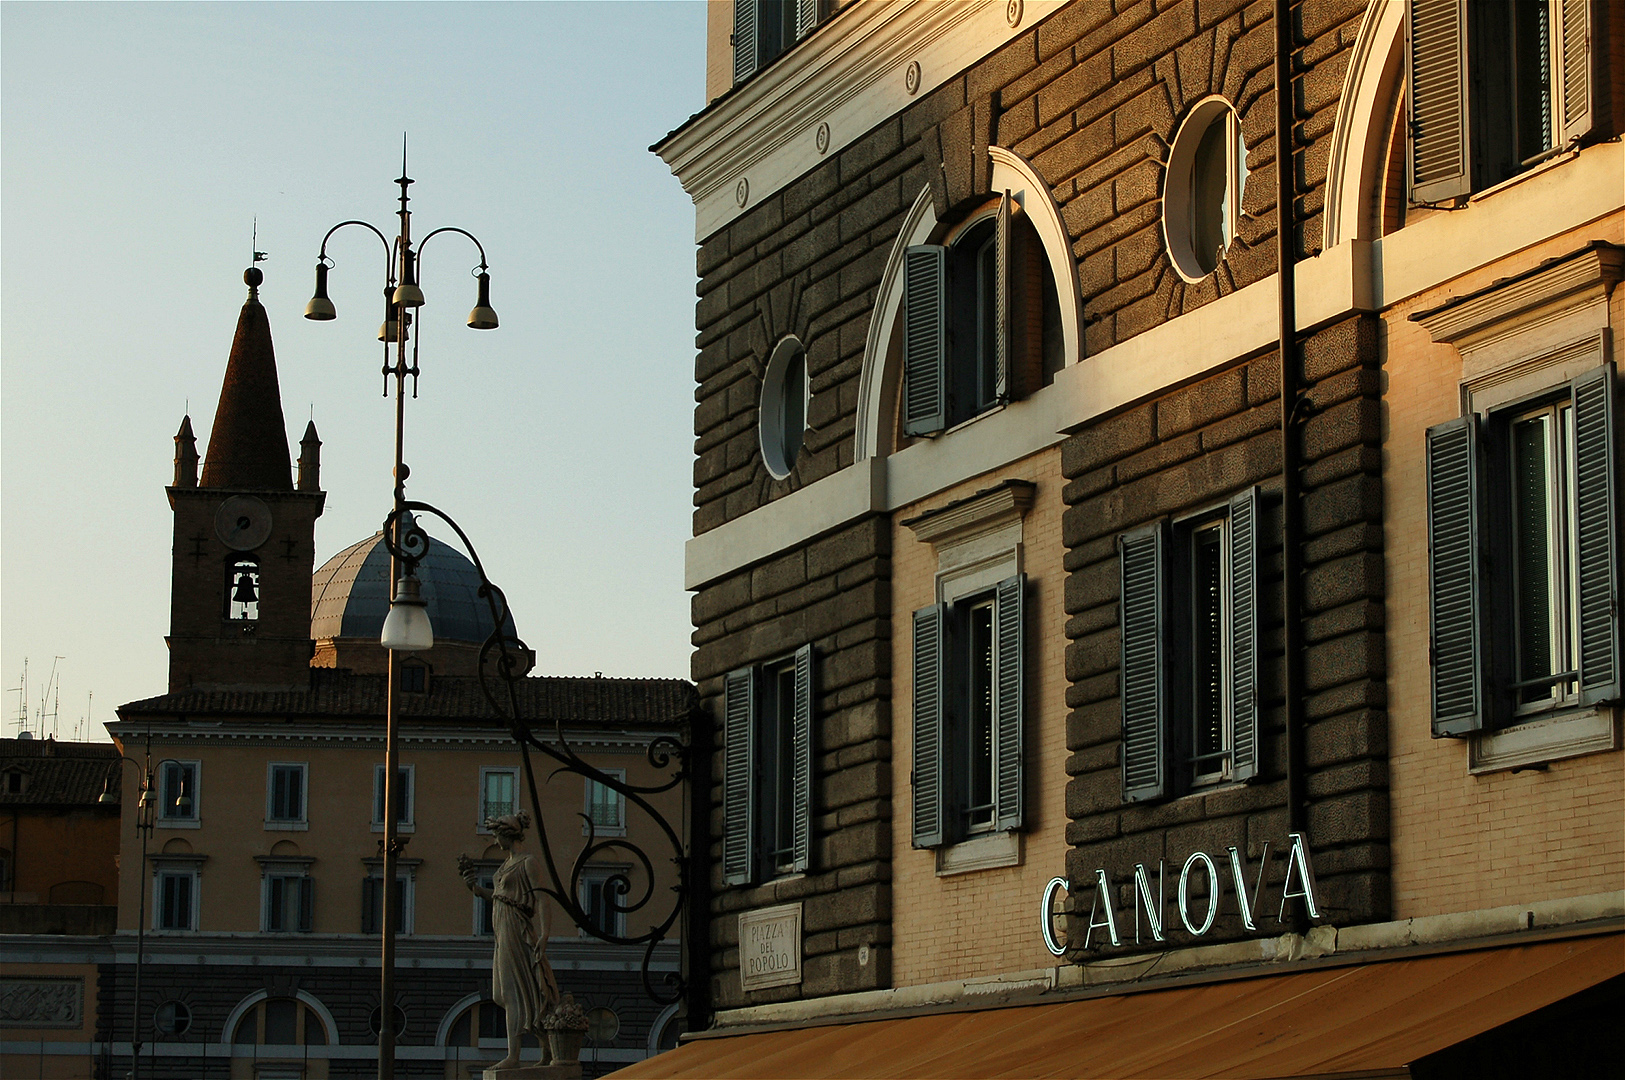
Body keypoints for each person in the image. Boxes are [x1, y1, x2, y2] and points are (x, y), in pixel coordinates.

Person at [458, 809, 561, 1070]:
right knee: (502, 993)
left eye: (496, 836)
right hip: (502, 931)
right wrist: (473, 887)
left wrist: (545, 933)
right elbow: (498, 896)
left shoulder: (528, 862)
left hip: (517, 930)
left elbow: (542, 898)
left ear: (507, 835)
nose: (495, 842)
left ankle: (514, 1056)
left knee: (514, 991)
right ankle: (543, 1049)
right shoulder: (505, 865)